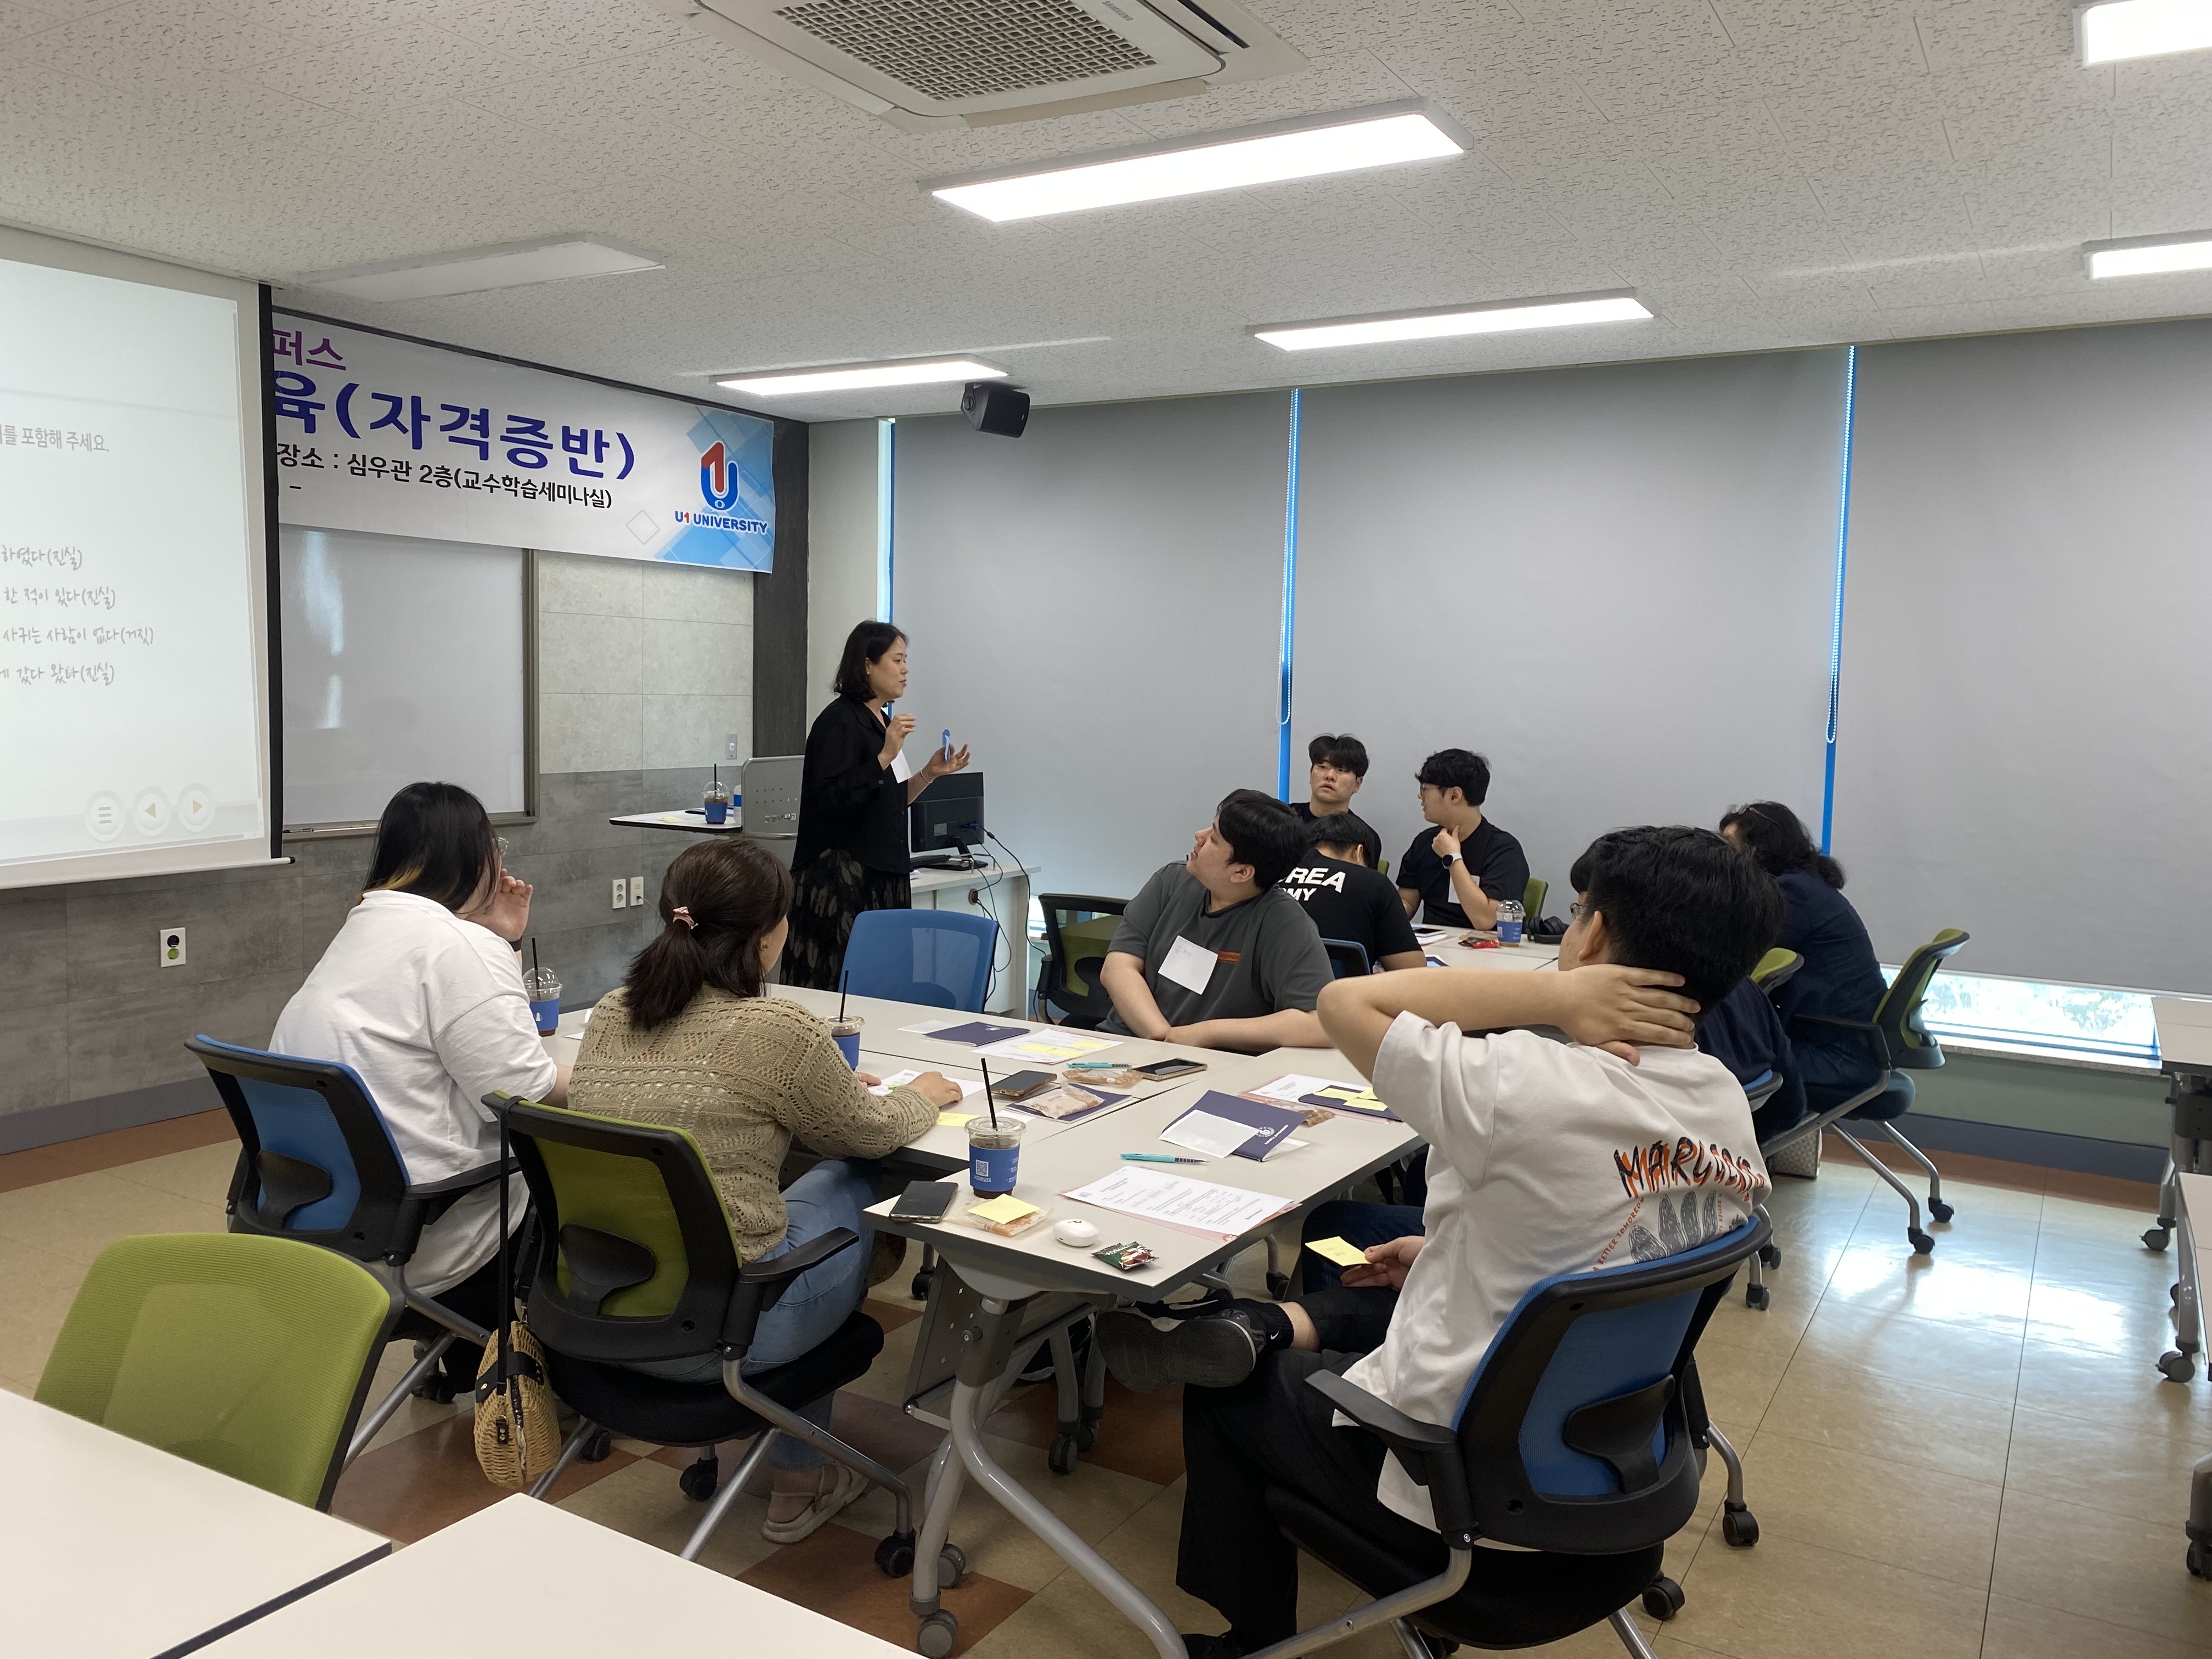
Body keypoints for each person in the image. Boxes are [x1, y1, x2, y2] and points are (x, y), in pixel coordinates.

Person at [1094, 826, 1779, 1656]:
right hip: (1619, 1476)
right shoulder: (1722, 1099)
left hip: (1465, 1499)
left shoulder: (1522, 1084)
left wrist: (1558, 997)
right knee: (1391, 1255)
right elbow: (1613, 1239)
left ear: (1595, 935)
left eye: (1575, 914)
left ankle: (1251, 1637)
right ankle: (1265, 1325)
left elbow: (1345, 1004)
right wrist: (1443, 1250)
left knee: (1228, 1394)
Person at [570, 836, 964, 1542]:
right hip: (727, 1332)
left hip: (601, 1311)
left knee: (773, 1198)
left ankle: (791, 1464)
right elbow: (871, 1133)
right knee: (852, 1176)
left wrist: (820, 1087)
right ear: (769, 934)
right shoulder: (775, 1028)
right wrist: (923, 1097)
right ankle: (797, 1483)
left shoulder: (610, 1012)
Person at [271, 781, 568, 1395]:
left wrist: (501, 940)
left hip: (320, 1222)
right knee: (579, 1176)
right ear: (476, 856)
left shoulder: (364, 928)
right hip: (424, 1238)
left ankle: (460, 1357)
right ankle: (562, 1386)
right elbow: (525, 1095)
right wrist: (620, 1072)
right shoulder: (454, 946)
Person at [785, 620, 970, 990]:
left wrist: (929, 774)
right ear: (867, 664)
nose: (905, 670)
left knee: (886, 985)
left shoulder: (881, 721)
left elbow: (888, 801)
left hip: (883, 874)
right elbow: (833, 802)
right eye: (897, 660)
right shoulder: (839, 721)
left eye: (906, 661)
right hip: (842, 880)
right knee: (842, 986)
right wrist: (885, 754)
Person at [1099, 789, 1334, 1053]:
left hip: (1213, 1061)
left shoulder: (1285, 923)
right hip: (1127, 1045)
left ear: (1242, 872)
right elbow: (1117, 967)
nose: (1199, 837)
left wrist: (1206, 1033)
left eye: (1214, 838)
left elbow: (1320, 1024)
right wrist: (1163, 1037)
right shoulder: (1171, 881)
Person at [1719, 800, 1888, 1120]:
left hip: (1838, 1057)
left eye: (1730, 848)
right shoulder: (1806, 884)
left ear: (1760, 851)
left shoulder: (1793, 894)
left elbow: (1734, 956)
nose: (1721, 858)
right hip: (1849, 1047)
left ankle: (1738, 1151)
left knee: (1716, 1060)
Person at [1394, 748, 1530, 930]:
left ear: (1454, 795)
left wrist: (1453, 859)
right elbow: (1408, 900)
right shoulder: (1425, 842)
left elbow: (1485, 920)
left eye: (1425, 789)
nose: (1420, 796)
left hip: (1484, 945)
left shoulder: (1504, 850)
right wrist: (1392, 910)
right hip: (1432, 943)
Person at [1279, 812, 1424, 974]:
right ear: (1358, 853)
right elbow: (1414, 971)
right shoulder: (1374, 883)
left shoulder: (1274, 877)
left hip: (1275, 987)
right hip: (1342, 989)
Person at [1293, 733, 1368, 822]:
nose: (1329, 776)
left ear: (1357, 784)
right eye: (1323, 767)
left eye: (1341, 770)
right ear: (1311, 774)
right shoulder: (1282, 820)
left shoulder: (1359, 830)